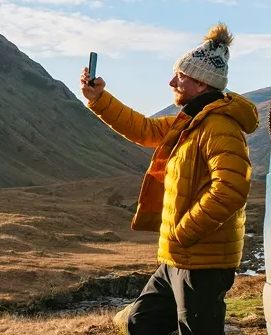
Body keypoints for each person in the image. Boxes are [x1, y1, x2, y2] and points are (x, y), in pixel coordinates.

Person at [81, 23, 259, 335]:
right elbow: (144, 129)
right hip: (179, 257)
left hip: (203, 261)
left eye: (181, 76)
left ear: (202, 84)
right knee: (143, 322)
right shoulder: (190, 121)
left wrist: (184, 231)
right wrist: (100, 99)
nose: (171, 81)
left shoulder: (219, 127)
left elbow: (232, 188)